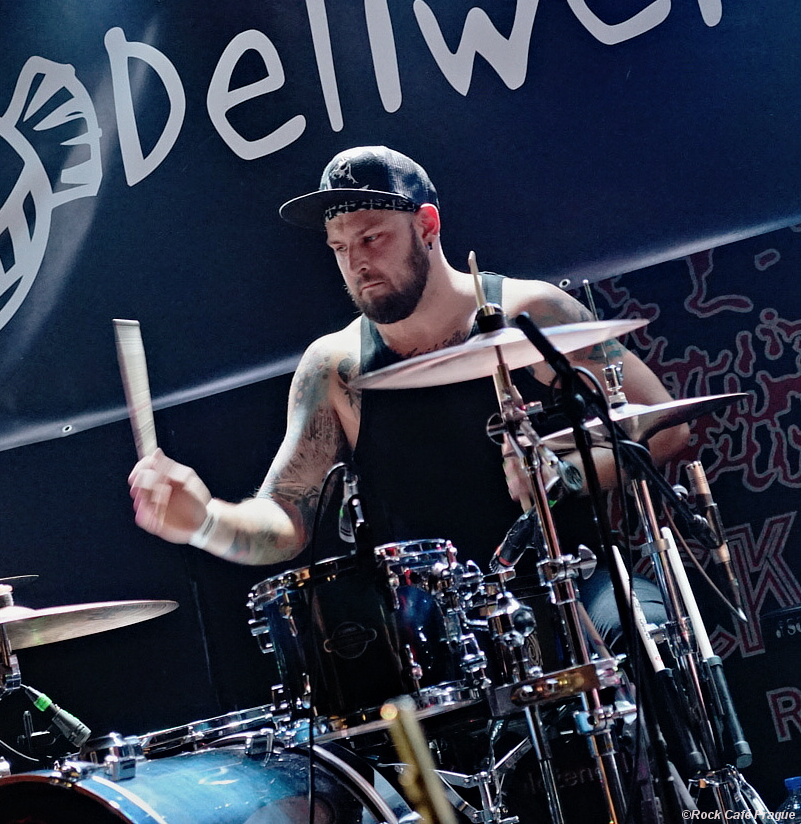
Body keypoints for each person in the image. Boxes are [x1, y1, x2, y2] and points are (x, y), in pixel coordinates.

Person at [128, 145, 689, 640]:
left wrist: (565, 478)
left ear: (426, 226)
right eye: (339, 247)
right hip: (438, 630)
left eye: (371, 238)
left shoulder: (530, 313)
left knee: (647, 634)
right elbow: (287, 518)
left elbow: (666, 425)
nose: (356, 263)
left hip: (575, 583)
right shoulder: (335, 368)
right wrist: (206, 522)